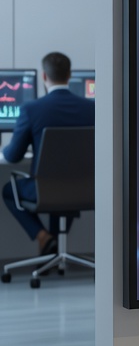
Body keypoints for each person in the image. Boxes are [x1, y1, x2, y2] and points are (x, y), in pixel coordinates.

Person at [2, 52, 96, 255]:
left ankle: (44, 237)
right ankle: (52, 255)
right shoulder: (92, 109)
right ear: (69, 75)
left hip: (46, 191)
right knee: (65, 183)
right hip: (85, 190)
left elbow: (13, 157)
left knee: (10, 190)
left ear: (44, 76)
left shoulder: (32, 109)